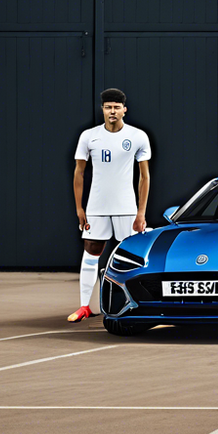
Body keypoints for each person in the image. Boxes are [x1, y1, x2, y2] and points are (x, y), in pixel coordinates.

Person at [70, 88, 152, 322]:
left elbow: (144, 177)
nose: (112, 111)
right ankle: (85, 306)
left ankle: (139, 305)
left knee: (133, 255)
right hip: (96, 208)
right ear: (102, 109)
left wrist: (141, 211)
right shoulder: (89, 136)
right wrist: (80, 208)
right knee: (91, 252)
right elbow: (79, 173)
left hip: (127, 208)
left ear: (124, 109)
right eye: (108, 107)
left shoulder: (138, 136)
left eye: (116, 107)